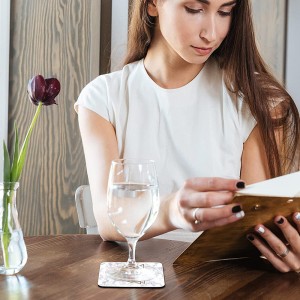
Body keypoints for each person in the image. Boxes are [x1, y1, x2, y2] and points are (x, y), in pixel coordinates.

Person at [75, 0, 300, 273]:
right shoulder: (102, 99)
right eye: (194, 9)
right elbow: (110, 220)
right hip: (133, 276)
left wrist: (282, 245)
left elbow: (253, 225)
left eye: (225, 12)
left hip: (221, 277)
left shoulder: (257, 102)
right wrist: (172, 211)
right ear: (153, 4)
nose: (211, 33)